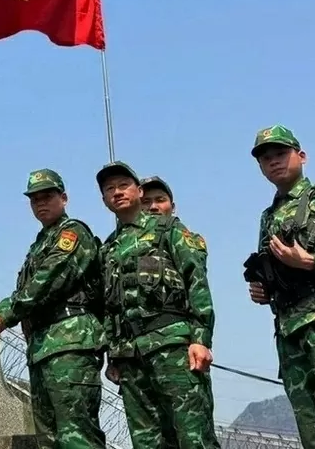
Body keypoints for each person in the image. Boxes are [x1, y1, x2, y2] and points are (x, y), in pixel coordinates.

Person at [0, 168, 106, 449]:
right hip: (43, 346)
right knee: (49, 439)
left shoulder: (73, 233)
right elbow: (26, 289)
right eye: (35, 199)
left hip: (71, 343)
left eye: (48, 196)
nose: (41, 203)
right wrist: (0, 313)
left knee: (76, 436)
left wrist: (5, 315)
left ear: (64, 198)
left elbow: (47, 279)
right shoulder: (40, 243)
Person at [96, 161, 220, 449]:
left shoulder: (169, 230)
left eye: (123, 185)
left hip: (172, 346)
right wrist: (113, 356)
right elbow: (108, 305)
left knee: (194, 436)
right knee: (147, 442)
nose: (117, 192)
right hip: (130, 358)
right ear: (103, 200)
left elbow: (196, 282)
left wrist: (201, 339)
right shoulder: (108, 249)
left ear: (139, 191)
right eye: (109, 189)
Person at [245, 125, 315, 448]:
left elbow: (305, 261)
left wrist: (310, 262)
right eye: (266, 158)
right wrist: (263, 290)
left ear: (301, 156)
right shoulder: (268, 217)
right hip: (289, 332)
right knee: (312, 431)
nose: (274, 162)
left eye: (281, 154)